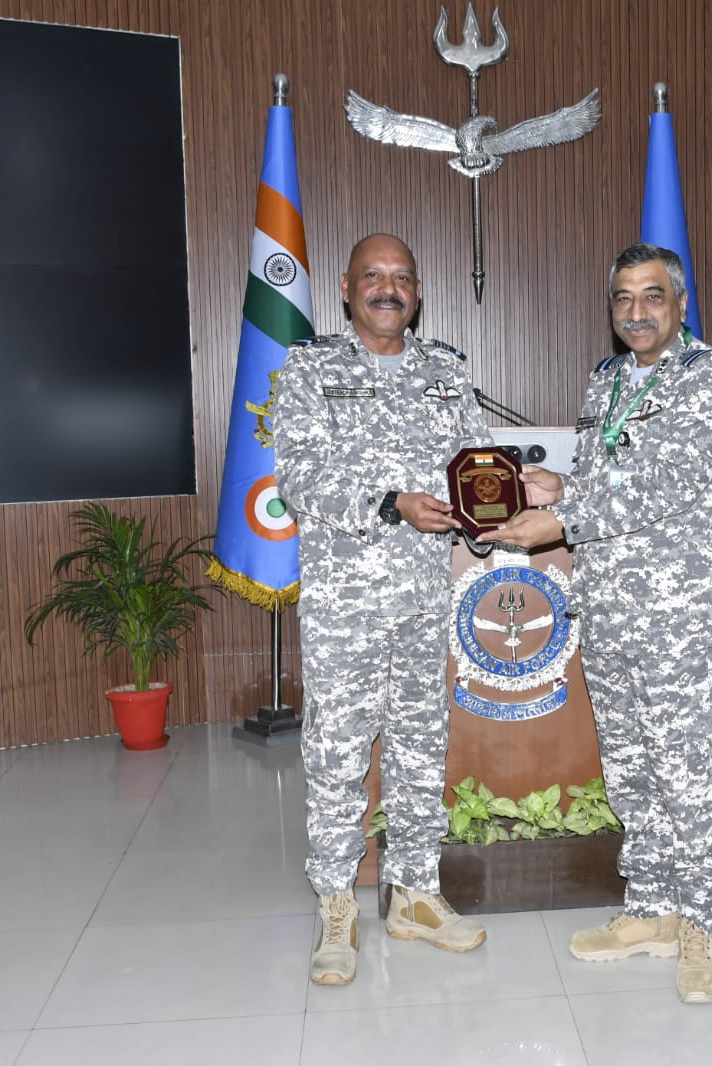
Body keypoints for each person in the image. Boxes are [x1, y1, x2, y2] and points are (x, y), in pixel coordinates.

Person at [480, 242, 712, 1004]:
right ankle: (652, 908)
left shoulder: (708, 379)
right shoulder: (607, 381)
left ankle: (702, 924)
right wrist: (558, 484)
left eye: (652, 296)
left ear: (681, 304)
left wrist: (562, 520)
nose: (637, 312)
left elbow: (669, 482)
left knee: (686, 776)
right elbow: (612, 475)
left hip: (678, 620)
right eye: (623, 298)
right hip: (609, 612)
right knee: (631, 773)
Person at [273, 233, 492, 986]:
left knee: (419, 748)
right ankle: (337, 904)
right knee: (338, 753)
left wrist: (490, 511)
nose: (387, 288)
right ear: (346, 288)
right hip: (346, 605)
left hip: (424, 601)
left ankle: (415, 894)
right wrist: (391, 503)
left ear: (418, 291)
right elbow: (299, 476)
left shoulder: (446, 372)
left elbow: (476, 463)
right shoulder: (311, 369)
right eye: (373, 275)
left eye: (401, 277)